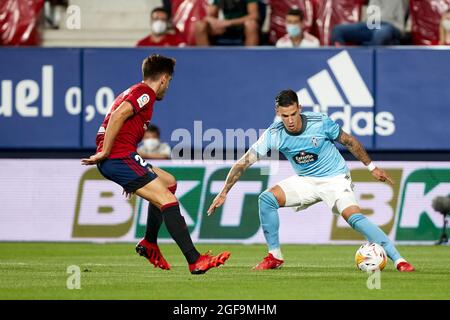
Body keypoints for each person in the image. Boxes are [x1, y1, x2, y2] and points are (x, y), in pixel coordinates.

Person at [207, 89, 415, 272]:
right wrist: (224, 191)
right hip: (306, 180)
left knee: (353, 216)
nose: (289, 120)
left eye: (293, 114)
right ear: (277, 113)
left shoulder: (320, 122)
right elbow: (243, 163)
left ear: (300, 108)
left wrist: (371, 167)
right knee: (267, 199)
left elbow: (349, 141)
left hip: (335, 178)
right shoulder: (274, 134)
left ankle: (399, 260)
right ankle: (275, 256)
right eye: (284, 115)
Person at [81, 54, 230, 274]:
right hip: (118, 157)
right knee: (168, 201)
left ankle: (150, 242)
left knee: (168, 182)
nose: (167, 87)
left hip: (122, 157)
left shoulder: (133, 90)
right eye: (169, 81)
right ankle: (194, 259)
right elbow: (118, 116)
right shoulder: (145, 94)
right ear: (163, 79)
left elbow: (116, 119)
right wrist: (105, 152)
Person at [331, 0, 407, 46]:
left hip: (391, 25)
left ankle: (366, 61)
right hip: (370, 24)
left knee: (380, 35)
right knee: (337, 30)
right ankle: (345, 61)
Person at [195, 0, 259, 46]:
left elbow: (254, 15)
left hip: (243, 28)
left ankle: (249, 59)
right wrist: (214, 22)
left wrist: (228, 23)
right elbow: (210, 15)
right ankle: (206, 59)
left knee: (251, 25)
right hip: (225, 28)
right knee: (200, 25)